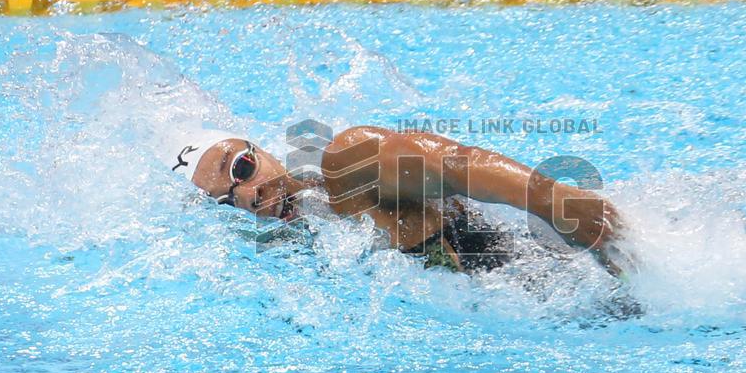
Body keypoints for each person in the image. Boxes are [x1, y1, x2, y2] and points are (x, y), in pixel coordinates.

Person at [169, 125, 619, 273]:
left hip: (587, 278)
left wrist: (551, 199)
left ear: (261, 150)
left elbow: (451, 164)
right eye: (227, 202)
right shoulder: (286, 251)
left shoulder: (347, 170)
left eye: (241, 169)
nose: (249, 197)